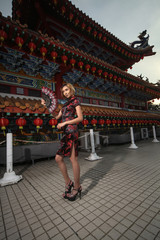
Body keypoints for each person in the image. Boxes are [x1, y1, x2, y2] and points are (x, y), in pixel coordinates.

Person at [41, 83, 83, 201]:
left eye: (66, 90)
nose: (65, 92)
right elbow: (56, 117)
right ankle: (68, 182)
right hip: (66, 133)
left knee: (72, 159)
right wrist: (46, 106)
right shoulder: (65, 104)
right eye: (63, 91)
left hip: (72, 131)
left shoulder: (76, 101)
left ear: (71, 90)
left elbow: (80, 118)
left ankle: (77, 186)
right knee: (58, 158)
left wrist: (65, 123)